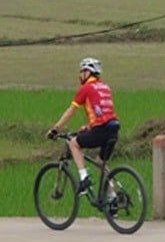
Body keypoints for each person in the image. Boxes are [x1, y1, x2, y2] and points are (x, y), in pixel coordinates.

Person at [47, 57, 120, 193]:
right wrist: (89, 126)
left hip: (101, 129)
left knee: (74, 144)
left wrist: (55, 129)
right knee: (101, 164)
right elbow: (103, 113)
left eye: (82, 71)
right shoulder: (105, 87)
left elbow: (71, 110)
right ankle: (113, 197)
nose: (80, 75)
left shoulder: (86, 88)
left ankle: (84, 177)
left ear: (88, 72)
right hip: (113, 129)